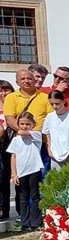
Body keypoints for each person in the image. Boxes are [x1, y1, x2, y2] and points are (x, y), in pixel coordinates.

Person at [8, 112, 42, 231]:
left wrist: (19, 129)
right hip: (21, 172)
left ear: (33, 125)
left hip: (34, 170)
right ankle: (25, 223)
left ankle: (36, 222)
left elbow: (22, 132)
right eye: (21, 124)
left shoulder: (36, 135)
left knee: (35, 196)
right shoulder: (16, 140)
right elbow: (13, 156)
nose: (24, 126)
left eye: (27, 124)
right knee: (23, 197)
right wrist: (14, 173)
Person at [42, 90, 69, 170]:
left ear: (64, 101)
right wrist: (49, 150)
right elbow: (47, 134)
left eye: (57, 103)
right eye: (52, 104)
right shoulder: (49, 117)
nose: (54, 107)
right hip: (55, 154)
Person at [0, 80, 11, 218]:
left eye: (6, 90)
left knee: (8, 176)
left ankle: (5, 209)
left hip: (11, 143)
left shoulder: (14, 106)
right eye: (1, 90)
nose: (3, 93)